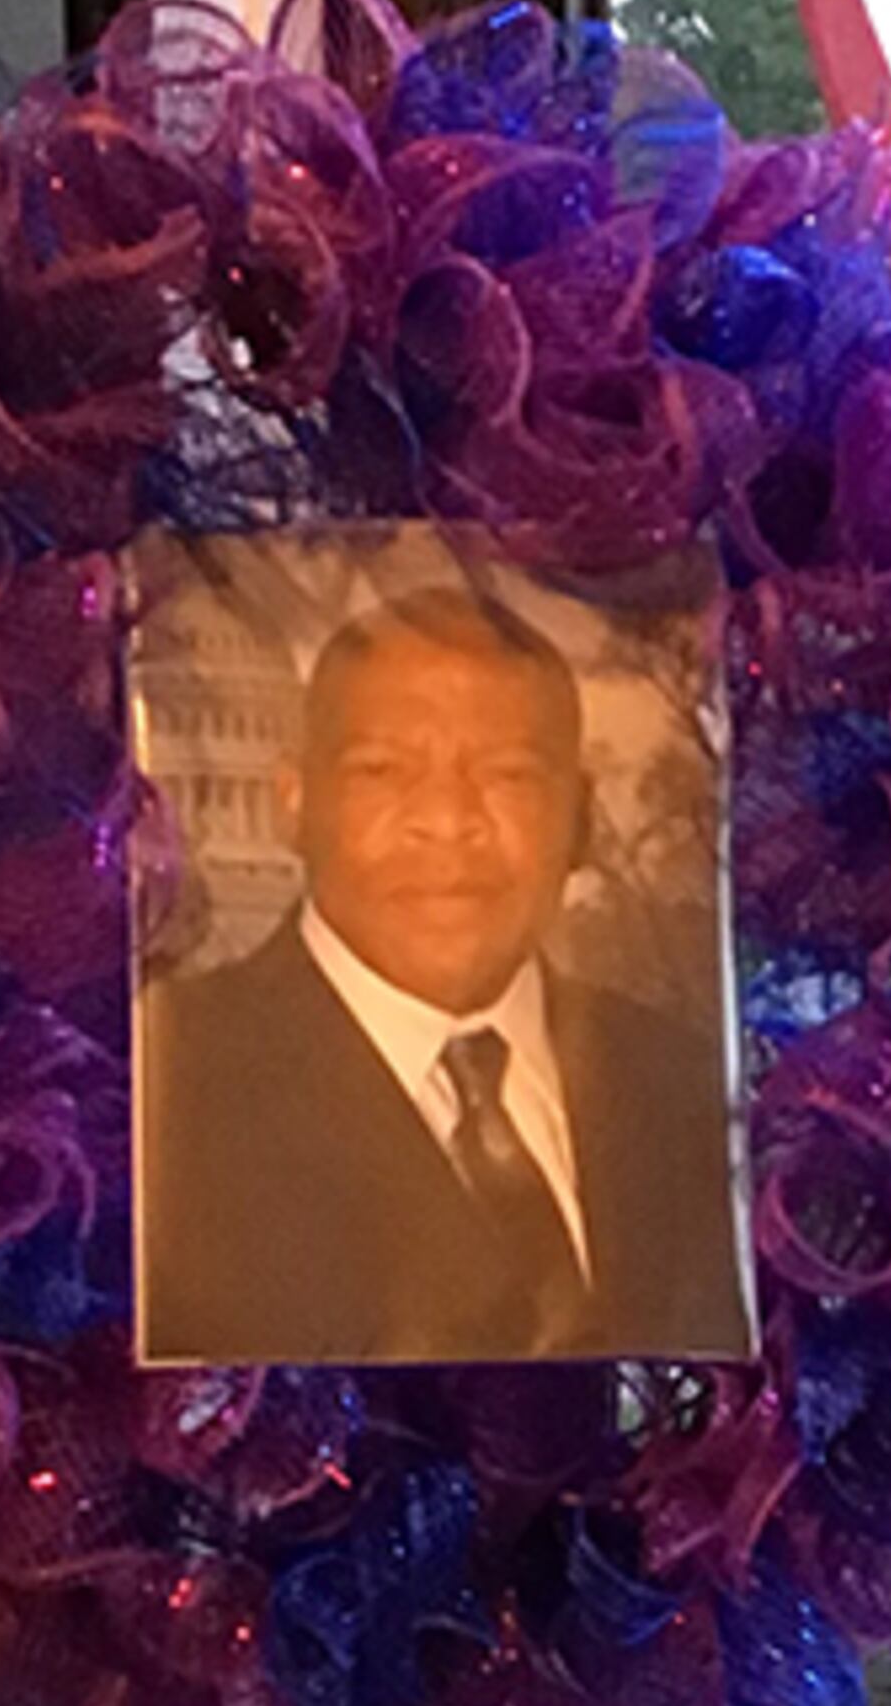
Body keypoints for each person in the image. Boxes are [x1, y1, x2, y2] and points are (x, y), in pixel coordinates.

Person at [137, 582, 750, 1365]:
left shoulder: (687, 1086)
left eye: (508, 774)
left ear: (581, 816)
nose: (448, 819)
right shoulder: (168, 1087)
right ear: (293, 804)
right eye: (384, 770)